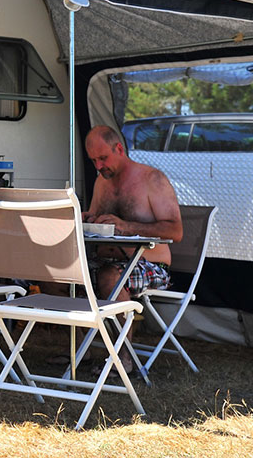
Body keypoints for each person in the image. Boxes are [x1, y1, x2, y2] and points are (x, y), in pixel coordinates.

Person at [82, 124, 183, 368]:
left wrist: (127, 226)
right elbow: (97, 219)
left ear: (119, 148)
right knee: (57, 277)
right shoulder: (101, 182)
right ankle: (78, 353)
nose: (99, 166)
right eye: (94, 160)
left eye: (103, 158)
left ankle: (122, 359)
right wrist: (88, 219)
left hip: (150, 264)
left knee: (109, 277)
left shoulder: (151, 179)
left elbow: (175, 231)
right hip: (107, 260)